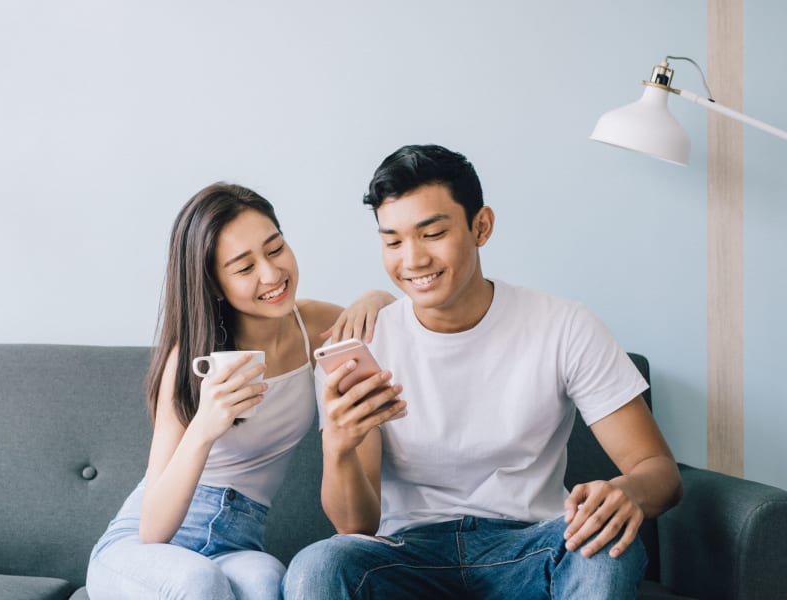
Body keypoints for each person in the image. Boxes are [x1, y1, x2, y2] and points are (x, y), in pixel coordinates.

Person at [282, 144, 683, 599]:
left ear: (481, 226)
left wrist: (626, 492)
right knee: (318, 565)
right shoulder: (363, 345)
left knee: (606, 545)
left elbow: (658, 471)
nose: (411, 260)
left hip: (534, 546)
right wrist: (338, 445)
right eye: (393, 241)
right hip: (407, 554)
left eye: (431, 233)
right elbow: (356, 526)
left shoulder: (564, 326)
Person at [86, 182, 394, 600]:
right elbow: (152, 528)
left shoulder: (316, 328)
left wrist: (373, 297)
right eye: (244, 268)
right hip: (142, 550)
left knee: (270, 582)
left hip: (237, 543)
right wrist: (204, 428)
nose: (271, 274)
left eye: (275, 249)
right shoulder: (192, 358)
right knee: (199, 582)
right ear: (214, 283)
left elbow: (391, 314)